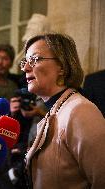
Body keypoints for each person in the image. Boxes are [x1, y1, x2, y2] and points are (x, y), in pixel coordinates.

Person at [22, 33, 105, 188]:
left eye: (34, 59)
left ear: (62, 66)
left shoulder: (81, 111)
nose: (26, 68)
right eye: (25, 62)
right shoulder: (54, 110)